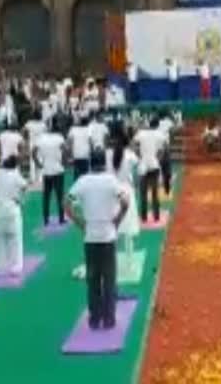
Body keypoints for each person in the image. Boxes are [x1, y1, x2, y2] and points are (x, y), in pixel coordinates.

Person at [66, 151, 129, 330]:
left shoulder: (83, 181)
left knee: (93, 280)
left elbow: (67, 204)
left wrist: (80, 223)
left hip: (90, 236)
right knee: (109, 279)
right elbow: (125, 202)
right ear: (104, 163)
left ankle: (94, 319)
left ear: (91, 163)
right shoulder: (111, 181)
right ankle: (109, 319)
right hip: (108, 235)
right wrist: (117, 220)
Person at [106, 130, 140, 267]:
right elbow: (137, 170)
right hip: (126, 191)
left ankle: (111, 261)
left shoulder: (108, 154)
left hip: (112, 190)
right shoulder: (130, 155)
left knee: (113, 228)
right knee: (129, 228)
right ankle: (130, 262)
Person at [34, 123, 67, 226]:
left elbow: (33, 152)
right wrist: (63, 162)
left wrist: (38, 163)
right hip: (58, 170)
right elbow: (65, 150)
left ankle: (46, 219)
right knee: (60, 196)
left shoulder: (41, 139)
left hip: (46, 170)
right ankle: (61, 218)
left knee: (46, 196)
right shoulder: (59, 138)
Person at [134, 118, 165, 223]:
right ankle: (156, 216)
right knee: (155, 193)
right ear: (157, 125)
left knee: (143, 194)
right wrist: (157, 160)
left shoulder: (141, 133)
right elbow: (161, 150)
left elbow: (135, 144)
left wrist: (139, 156)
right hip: (154, 165)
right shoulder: (159, 134)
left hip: (143, 165)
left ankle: (144, 217)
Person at [24, 110, 47, 183]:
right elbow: (46, 132)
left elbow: (24, 130)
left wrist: (26, 138)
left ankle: (33, 178)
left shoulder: (29, 123)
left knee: (32, 161)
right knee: (40, 159)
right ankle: (40, 178)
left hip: (32, 143)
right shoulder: (43, 124)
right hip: (41, 143)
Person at [69, 117, 92, 181]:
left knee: (76, 174)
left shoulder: (73, 129)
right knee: (85, 175)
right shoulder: (89, 130)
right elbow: (90, 142)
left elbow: (70, 143)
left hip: (76, 154)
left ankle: (77, 188)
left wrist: (70, 155)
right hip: (85, 154)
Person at [158, 111, 175, 195]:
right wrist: (171, 141)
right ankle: (167, 183)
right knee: (167, 164)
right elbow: (172, 131)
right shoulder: (168, 121)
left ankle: (161, 179)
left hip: (157, 145)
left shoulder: (157, 122)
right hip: (165, 145)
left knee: (160, 163)